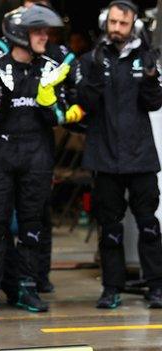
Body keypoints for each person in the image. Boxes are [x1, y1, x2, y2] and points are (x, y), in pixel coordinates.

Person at [0, 5, 82, 314]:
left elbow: (61, 116)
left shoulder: (50, 69)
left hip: (36, 156)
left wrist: (49, 100)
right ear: (20, 35)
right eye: (38, 31)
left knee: (32, 226)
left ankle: (27, 289)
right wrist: (3, 95)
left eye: (46, 31)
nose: (46, 36)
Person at [77, 0, 162, 309]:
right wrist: (97, 73)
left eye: (122, 24)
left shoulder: (146, 58)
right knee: (109, 230)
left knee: (149, 226)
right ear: (104, 23)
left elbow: (154, 104)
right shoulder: (89, 60)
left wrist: (152, 76)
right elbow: (84, 103)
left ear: (134, 25)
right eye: (112, 23)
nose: (116, 29)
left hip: (140, 157)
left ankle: (156, 287)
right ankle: (111, 288)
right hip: (104, 157)